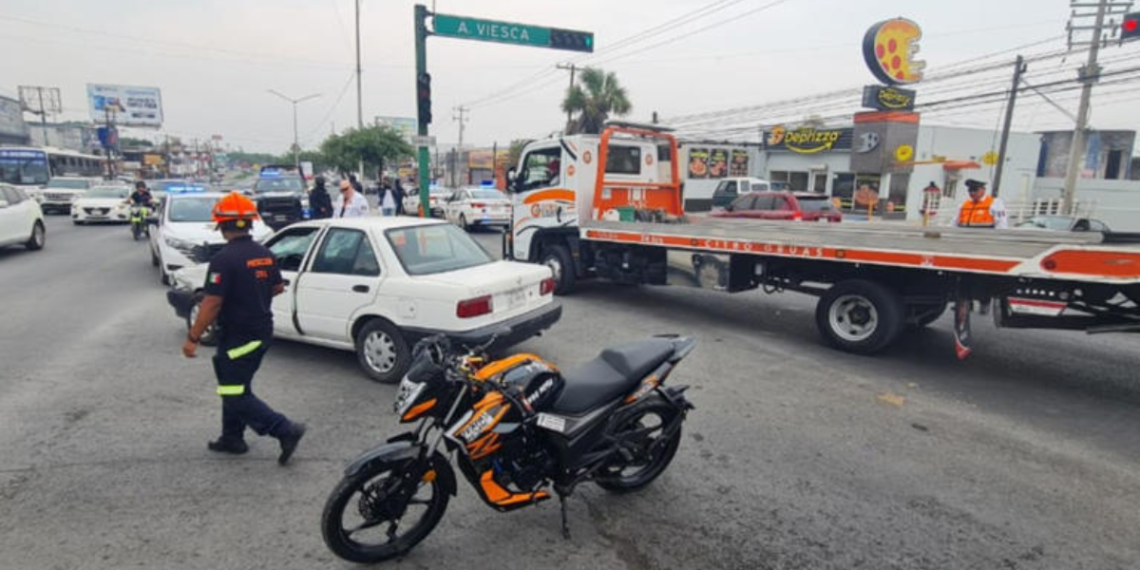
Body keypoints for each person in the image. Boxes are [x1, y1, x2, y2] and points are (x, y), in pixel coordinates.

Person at [182, 192, 306, 464]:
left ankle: (284, 430)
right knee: (235, 386)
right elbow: (275, 287)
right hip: (260, 331)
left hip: (239, 336)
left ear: (222, 225)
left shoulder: (224, 259)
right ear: (249, 224)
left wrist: (193, 337)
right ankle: (232, 438)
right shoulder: (265, 254)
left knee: (233, 391)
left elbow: (213, 302)